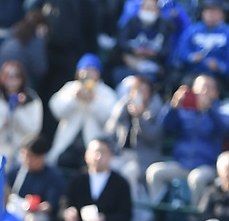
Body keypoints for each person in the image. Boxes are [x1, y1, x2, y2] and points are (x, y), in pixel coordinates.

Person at [146, 75, 229, 206]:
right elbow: (165, 126)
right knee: (155, 172)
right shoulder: (184, 111)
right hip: (181, 164)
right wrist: (173, 106)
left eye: (208, 88)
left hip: (207, 166)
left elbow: (224, 129)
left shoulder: (221, 111)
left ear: (215, 92)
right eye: (201, 87)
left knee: (197, 178)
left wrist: (209, 110)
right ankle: (158, 216)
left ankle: (195, 219)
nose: (203, 91)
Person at [46, 54, 117, 169]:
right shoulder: (71, 87)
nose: (88, 74)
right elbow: (56, 110)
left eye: (92, 70)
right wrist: (74, 98)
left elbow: (109, 118)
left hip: (92, 145)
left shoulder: (106, 92)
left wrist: (93, 101)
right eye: (85, 70)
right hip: (67, 143)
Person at [105, 74, 164, 203]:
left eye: (144, 91)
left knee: (128, 174)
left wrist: (139, 117)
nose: (140, 94)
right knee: (106, 167)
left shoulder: (156, 109)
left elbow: (153, 137)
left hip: (144, 158)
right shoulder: (123, 107)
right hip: (121, 154)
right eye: (137, 90)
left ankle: (133, 212)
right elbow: (110, 132)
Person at [6, 133, 64, 221]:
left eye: (30, 156)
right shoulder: (16, 171)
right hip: (14, 211)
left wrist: (34, 206)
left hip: (35, 216)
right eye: (24, 155)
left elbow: (50, 206)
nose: (26, 160)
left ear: (41, 157)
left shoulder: (53, 177)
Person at [171, 0, 229, 89]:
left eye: (215, 11)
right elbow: (181, 51)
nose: (211, 14)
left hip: (217, 78)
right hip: (192, 73)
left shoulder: (227, 33)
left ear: (223, 15)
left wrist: (219, 66)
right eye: (208, 11)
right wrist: (192, 57)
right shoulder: (192, 30)